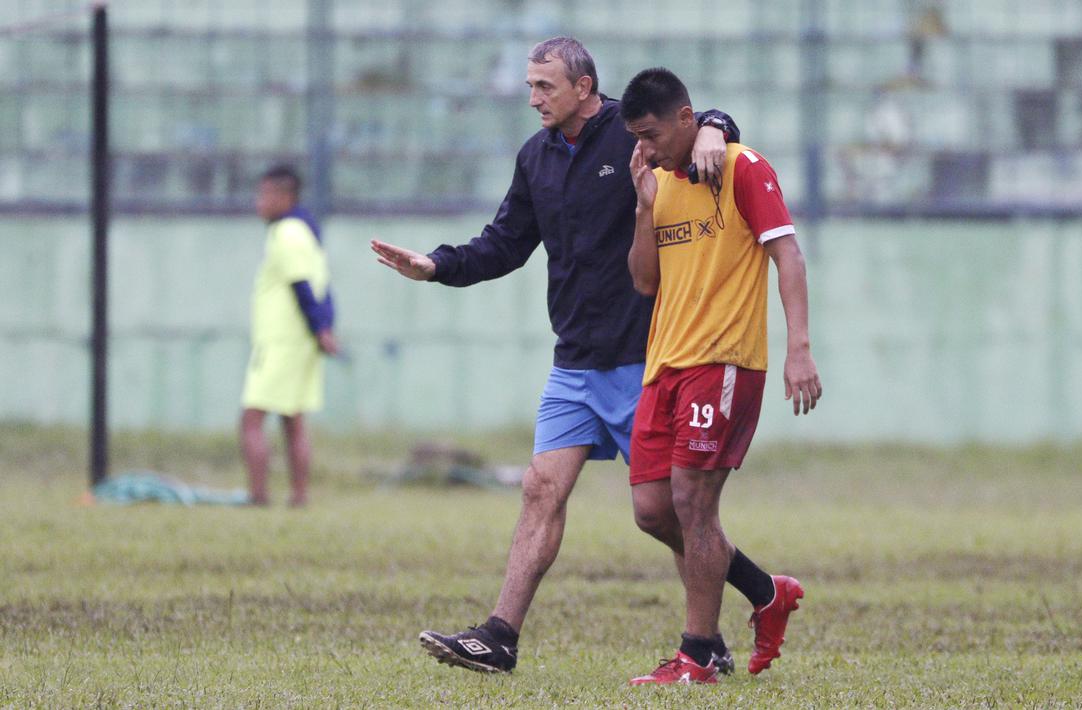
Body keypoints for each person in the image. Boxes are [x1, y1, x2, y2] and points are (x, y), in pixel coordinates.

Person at [369, 36, 773, 674]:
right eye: (530, 86)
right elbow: (504, 242)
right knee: (540, 489)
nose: (532, 98)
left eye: (544, 86)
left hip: (646, 360)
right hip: (573, 365)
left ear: (584, 87)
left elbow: (689, 125)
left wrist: (718, 125)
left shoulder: (632, 136)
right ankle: (500, 636)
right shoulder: (536, 157)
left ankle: (726, 622)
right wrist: (436, 265)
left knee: (669, 514)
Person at [621, 67, 821, 685]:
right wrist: (642, 207)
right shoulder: (655, 180)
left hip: (725, 359)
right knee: (653, 510)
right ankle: (765, 591)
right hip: (665, 364)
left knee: (694, 502)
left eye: (650, 134)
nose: (644, 148)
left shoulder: (741, 166)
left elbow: (786, 253)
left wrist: (799, 349)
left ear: (689, 118)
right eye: (636, 137)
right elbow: (643, 281)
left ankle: (699, 653)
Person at [240, 165, 339, 507]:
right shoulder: (306, 232)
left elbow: (303, 287)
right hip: (299, 341)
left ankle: (258, 496)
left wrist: (320, 327)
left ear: (285, 197)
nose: (259, 203)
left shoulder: (288, 233)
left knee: (251, 419)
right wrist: (324, 327)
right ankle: (298, 497)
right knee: (293, 419)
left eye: (265, 195)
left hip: (282, 341)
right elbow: (323, 283)